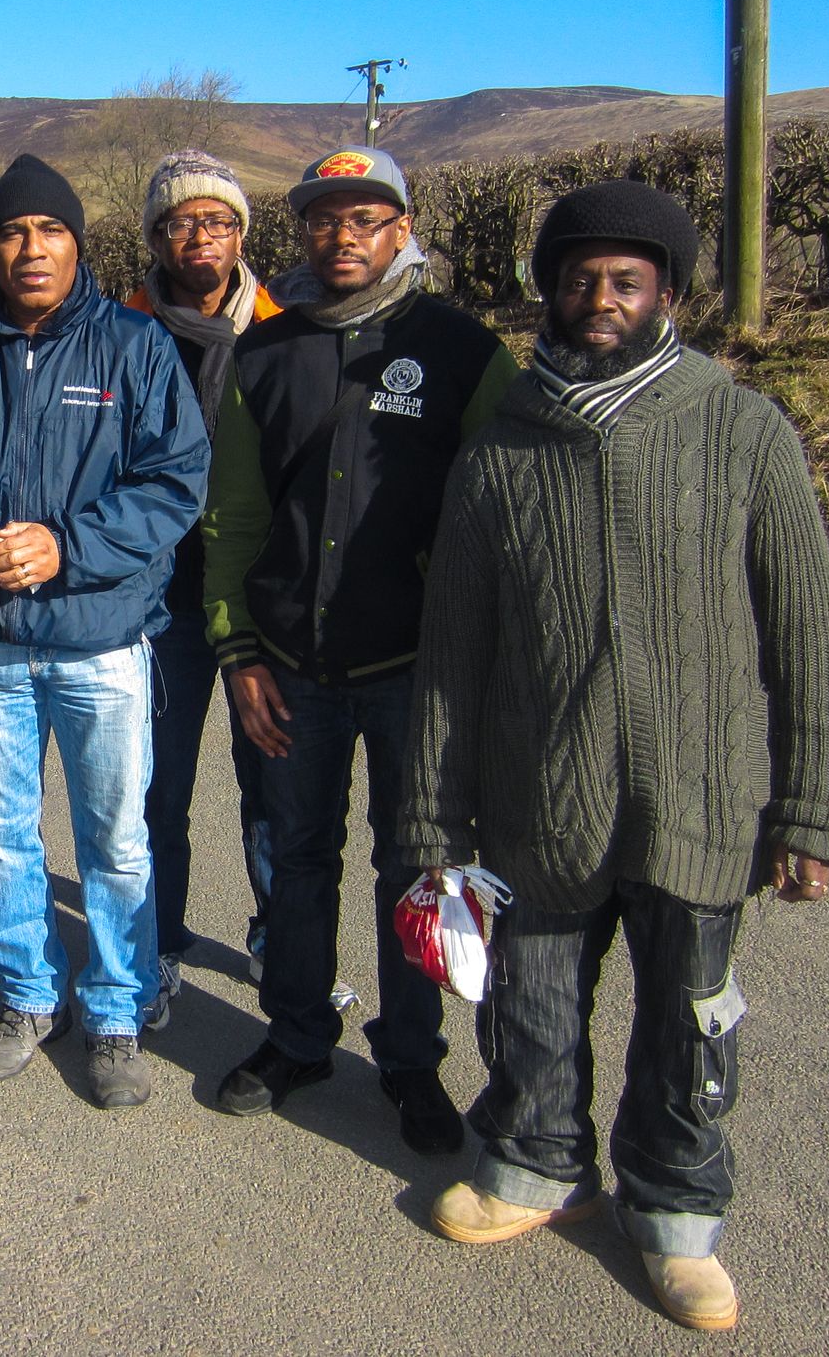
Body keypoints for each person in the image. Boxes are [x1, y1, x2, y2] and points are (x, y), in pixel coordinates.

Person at [401, 180, 829, 1332]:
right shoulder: (499, 455)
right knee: (530, 1007)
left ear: (664, 294)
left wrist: (810, 811)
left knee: (688, 1025)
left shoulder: (743, 431)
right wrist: (430, 825)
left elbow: (806, 637)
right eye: (577, 280)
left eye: (624, 281)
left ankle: (674, 1214)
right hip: (535, 801)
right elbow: (450, 658)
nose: (598, 299)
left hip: (698, 804)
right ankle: (534, 1166)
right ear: (547, 293)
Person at [203, 145, 517, 1151]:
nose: (341, 236)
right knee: (296, 858)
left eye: (365, 218)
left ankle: (410, 1061)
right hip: (290, 667)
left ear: (402, 229)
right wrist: (238, 654)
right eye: (323, 218)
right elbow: (232, 517)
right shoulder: (264, 353)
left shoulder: (463, 352)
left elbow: (511, 515)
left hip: (413, 672)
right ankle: (296, 1036)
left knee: (413, 867)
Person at [0, 154, 209, 1110]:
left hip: (101, 642)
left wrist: (64, 548)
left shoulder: (136, 348)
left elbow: (174, 482)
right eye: (13, 232)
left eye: (51, 230)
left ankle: (116, 1009)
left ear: (79, 244)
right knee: (0, 840)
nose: (32, 248)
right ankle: (30, 996)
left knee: (116, 842)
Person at [122, 149, 281, 1018]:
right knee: (158, 786)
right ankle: (159, 944)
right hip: (162, 597)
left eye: (217, 220)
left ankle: (277, 942)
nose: (201, 236)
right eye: (181, 221)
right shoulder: (120, 332)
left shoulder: (286, 330)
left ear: (240, 234)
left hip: (263, 594)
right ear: (156, 237)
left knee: (273, 785)